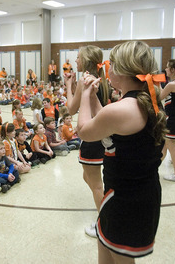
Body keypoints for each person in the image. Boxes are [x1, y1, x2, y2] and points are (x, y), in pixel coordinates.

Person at [77, 40, 165, 263]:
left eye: (112, 64)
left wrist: (85, 95)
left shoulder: (123, 109)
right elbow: (109, 122)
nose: (108, 69)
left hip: (126, 200)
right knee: (106, 248)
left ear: (122, 70)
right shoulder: (148, 101)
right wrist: (96, 98)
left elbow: (84, 131)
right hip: (139, 192)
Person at [63, 45, 110, 237]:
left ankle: (106, 225)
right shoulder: (101, 78)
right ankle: (106, 206)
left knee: (96, 184)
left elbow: (71, 109)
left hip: (92, 137)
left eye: (78, 57)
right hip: (101, 133)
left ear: (86, 60)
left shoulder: (85, 80)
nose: (75, 61)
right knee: (88, 178)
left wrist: (68, 85)